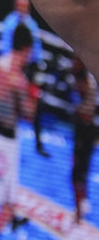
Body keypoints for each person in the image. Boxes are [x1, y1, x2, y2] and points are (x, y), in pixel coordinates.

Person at [0, 24, 35, 239]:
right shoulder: (19, 79)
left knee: (8, 190)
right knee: (6, 204)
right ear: (27, 48)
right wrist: (34, 94)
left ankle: (14, 219)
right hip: (8, 142)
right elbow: (28, 114)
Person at [0, 0, 50, 157]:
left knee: (34, 106)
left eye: (26, 6)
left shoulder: (31, 23)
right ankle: (6, 142)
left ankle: (38, 143)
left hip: (29, 69)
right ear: (16, 6)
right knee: (9, 106)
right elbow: (5, 48)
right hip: (12, 69)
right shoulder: (10, 23)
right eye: (21, 5)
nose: (23, 9)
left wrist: (39, 67)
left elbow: (36, 48)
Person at [69, 54, 98, 223]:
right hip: (83, 130)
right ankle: (82, 203)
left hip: (85, 131)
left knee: (77, 173)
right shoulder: (82, 78)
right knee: (80, 171)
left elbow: (86, 113)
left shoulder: (86, 81)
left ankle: (79, 212)